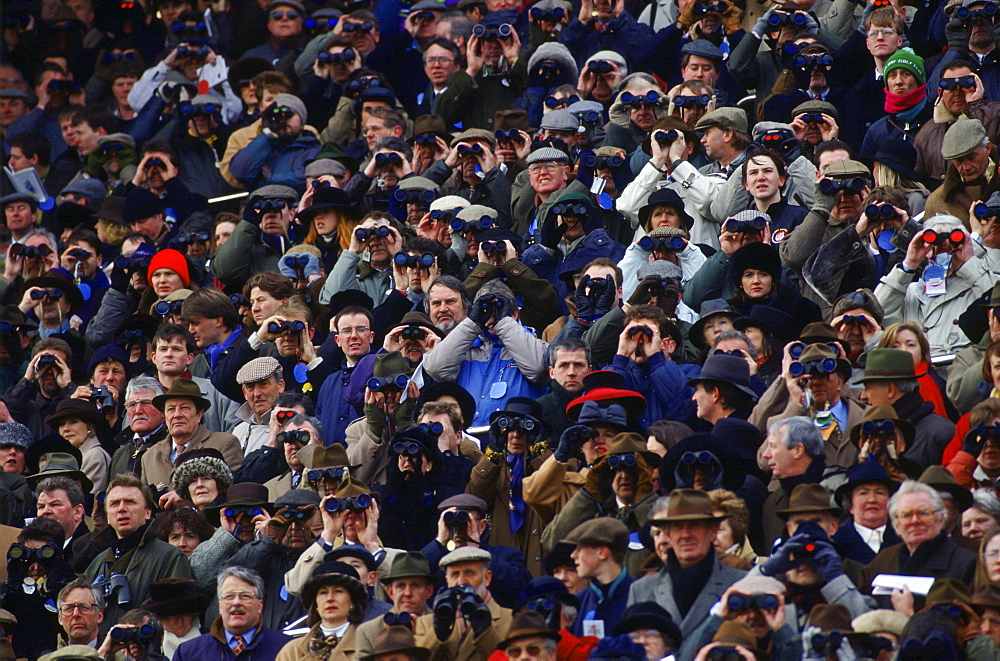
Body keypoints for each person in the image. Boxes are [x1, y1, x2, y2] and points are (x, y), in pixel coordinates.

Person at [84, 474, 192, 637]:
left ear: (148, 513)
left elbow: (178, 622)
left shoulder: (170, 557)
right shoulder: (97, 563)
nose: (121, 508)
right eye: (114, 503)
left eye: (130, 502)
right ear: (107, 517)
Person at [629, 489, 745, 638]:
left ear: (713, 531)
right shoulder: (641, 590)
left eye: (694, 525)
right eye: (677, 527)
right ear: (669, 534)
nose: (685, 535)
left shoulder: (739, 584)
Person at [858, 480, 978, 604]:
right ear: (896, 525)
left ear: (941, 519)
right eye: (906, 515)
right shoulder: (882, 561)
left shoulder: (967, 563)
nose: (915, 521)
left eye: (923, 513)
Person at [855, 348, 955, 469]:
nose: (863, 396)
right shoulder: (868, 432)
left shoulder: (940, 433)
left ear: (890, 389)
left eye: (868, 388)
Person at [140, 378, 243, 491]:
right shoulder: (149, 457)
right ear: (164, 417)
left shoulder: (224, 443)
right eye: (171, 409)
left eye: (185, 408)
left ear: (199, 415)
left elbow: (233, 490)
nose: (177, 414)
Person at [414, 546, 512, 660]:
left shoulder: (511, 619)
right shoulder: (426, 623)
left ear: (487, 578)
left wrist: (485, 632)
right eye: (455, 574)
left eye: (469, 573)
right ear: (447, 581)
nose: (461, 581)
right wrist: (438, 632)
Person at [175, 566, 292, 660]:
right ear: (220, 606)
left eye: (245, 596)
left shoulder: (287, 649)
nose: (236, 602)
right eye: (229, 596)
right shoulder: (188, 653)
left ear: (260, 606)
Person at [276, 561, 368, 661]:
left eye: (338, 591)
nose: (330, 598)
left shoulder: (371, 647)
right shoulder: (292, 651)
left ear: (352, 601)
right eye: (323, 592)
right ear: (316, 604)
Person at [354, 553, 436, 658]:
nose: (407, 593)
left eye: (415, 585)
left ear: (429, 591)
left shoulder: (441, 627)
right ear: (390, 592)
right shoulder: (369, 631)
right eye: (401, 586)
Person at [831, 459, 902, 565]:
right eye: (863, 493)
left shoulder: (905, 539)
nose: (872, 499)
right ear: (850, 505)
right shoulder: (835, 543)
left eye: (880, 493)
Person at [141, 578, 209, 659]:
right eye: (173, 617)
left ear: (193, 616)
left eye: (185, 615)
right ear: (161, 619)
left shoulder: (214, 641)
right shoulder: (147, 645)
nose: (180, 623)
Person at [56, 578, 105, 648]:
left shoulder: (120, 657)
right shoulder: (49, 659)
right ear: (60, 619)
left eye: (84, 607)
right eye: (69, 608)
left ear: (99, 615)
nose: (76, 614)